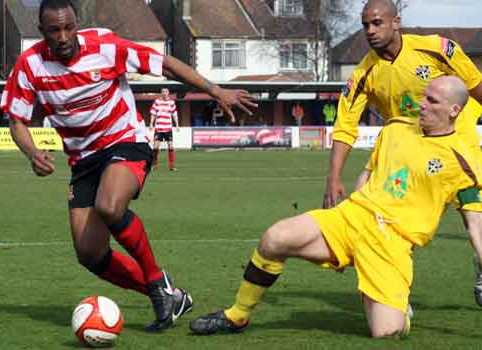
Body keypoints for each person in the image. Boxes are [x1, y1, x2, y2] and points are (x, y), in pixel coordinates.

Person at [0, 0, 256, 332]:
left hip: (125, 139)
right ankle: (167, 294)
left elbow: (165, 64)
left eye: (68, 28)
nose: (63, 36)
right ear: (41, 32)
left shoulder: (105, 46)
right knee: (89, 253)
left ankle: (155, 279)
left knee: (109, 205)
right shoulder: (30, 65)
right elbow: (16, 120)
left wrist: (214, 89)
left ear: (76, 25)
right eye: (54, 30)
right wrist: (32, 152)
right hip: (83, 160)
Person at [190, 76, 482, 338]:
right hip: (352, 218)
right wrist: (357, 208)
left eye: (431, 100)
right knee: (276, 237)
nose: (421, 104)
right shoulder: (396, 128)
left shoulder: (465, 161)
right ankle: (237, 315)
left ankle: (399, 311)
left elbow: (474, 222)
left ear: (454, 111)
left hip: (391, 243)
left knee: (386, 332)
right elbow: (369, 172)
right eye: (423, 96)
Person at [322, 0, 482, 305]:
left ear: (396, 22)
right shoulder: (363, 75)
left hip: (455, 146)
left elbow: (475, 85)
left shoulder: (436, 48)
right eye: (365, 24)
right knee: (392, 221)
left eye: (377, 23)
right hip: (407, 154)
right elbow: (345, 127)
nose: (370, 30)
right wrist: (333, 178)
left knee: (474, 219)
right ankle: (393, 292)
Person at [149, 88, 179, 171]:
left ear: (168, 93)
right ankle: (154, 164)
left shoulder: (171, 102)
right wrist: (151, 124)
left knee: (170, 146)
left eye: (166, 92)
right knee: (155, 147)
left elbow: (174, 114)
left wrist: (177, 125)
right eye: (163, 92)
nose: (164, 93)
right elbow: (153, 113)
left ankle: (172, 166)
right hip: (158, 128)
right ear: (161, 93)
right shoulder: (157, 102)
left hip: (168, 128)